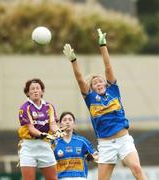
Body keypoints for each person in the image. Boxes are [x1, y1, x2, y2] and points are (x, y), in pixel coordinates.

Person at [62, 29, 147, 180]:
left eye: (101, 81)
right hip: (106, 144)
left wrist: (103, 46)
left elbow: (108, 67)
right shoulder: (90, 98)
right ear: (92, 87)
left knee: (137, 169)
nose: (99, 83)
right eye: (95, 83)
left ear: (106, 84)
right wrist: (73, 61)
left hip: (123, 140)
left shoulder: (113, 90)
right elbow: (80, 79)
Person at [18, 78, 65, 180]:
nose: (35, 90)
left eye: (38, 88)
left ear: (42, 91)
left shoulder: (49, 106)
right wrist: (42, 134)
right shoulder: (25, 107)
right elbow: (31, 128)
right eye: (32, 89)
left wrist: (58, 131)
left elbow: (52, 124)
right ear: (27, 92)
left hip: (44, 146)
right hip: (29, 147)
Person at [53, 111, 98, 180]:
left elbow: (95, 156)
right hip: (61, 178)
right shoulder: (55, 142)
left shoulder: (82, 141)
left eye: (70, 120)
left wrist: (92, 157)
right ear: (60, 124)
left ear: (74, 123)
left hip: (80, 177)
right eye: (64, 120)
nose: (67, 122)